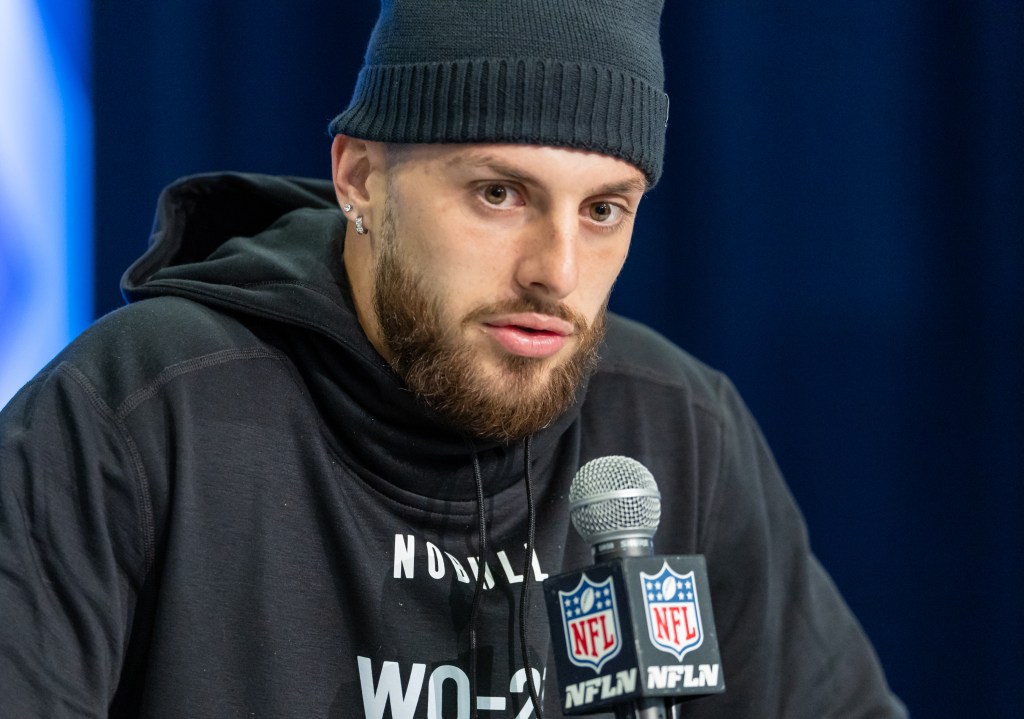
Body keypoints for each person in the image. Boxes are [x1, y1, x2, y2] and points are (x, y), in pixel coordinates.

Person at [0, 1, 907, 717]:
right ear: (360, 177)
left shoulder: (675, 427)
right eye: (500, 192)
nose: (555, 272)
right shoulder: (137, 411)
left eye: (603, 209)